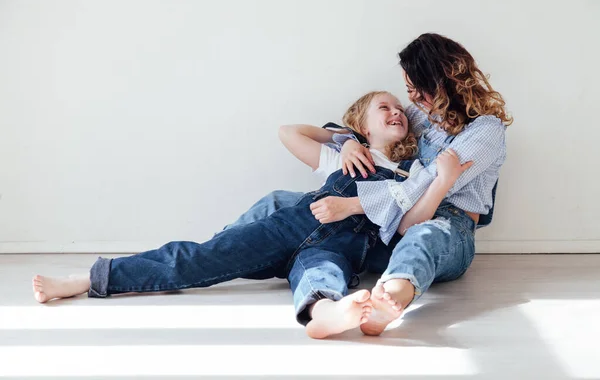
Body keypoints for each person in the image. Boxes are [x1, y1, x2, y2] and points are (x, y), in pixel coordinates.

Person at [32, 90, 468, 339]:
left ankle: (323, 315)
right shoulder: (344, 156)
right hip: (291, 226)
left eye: (399, 110)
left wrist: (439, 182)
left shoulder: (410, 172)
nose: (396, 113)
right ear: (364, 124)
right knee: (198, 258)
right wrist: (345, 138)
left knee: (322, 277)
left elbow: (411, 220)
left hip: (342, 246)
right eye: (383, 108)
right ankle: (91, 279)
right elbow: (288, 132)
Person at [225, 33, 513, 337]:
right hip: (388, 220)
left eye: (417, 89)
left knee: (424, 235)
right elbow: (368, 127)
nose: (411, 99)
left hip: (446, 224)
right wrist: (350, 143)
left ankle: (388, 302)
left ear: (442, 81)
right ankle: (225, 248)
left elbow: (426, 184)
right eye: (409, 90)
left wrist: (354, 205)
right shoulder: (420, 114)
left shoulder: (485, 130)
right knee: (283, 202)